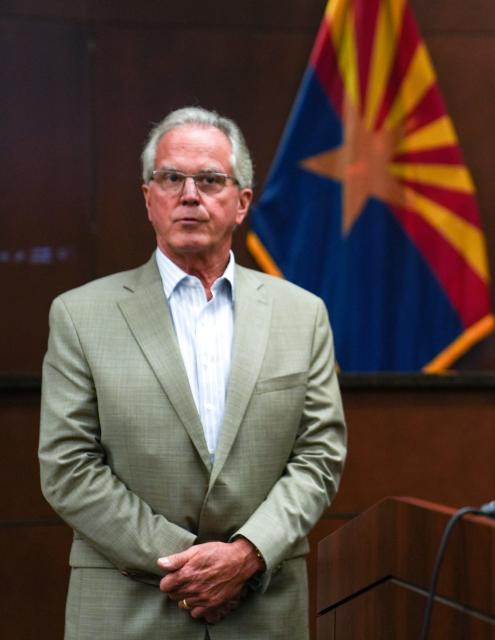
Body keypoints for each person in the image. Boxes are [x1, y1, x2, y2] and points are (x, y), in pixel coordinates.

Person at [38, 106, 346, 638]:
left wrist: (247, 557)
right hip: (128, 608)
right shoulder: (80, 315)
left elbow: (319, 455)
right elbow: (68, 466)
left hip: (262, 611)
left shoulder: (303, 314)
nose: (188, 194)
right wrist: (194, 566)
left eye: (209, 179)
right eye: (170, 178)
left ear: (242, 202)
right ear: (148, 198)